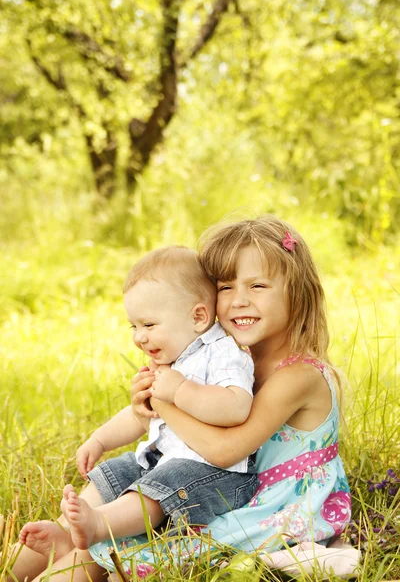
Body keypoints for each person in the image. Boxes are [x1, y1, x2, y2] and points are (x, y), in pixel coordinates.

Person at [10, 215, 358, 582]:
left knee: (118, 547)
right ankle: (45, 546)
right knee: (107, 501)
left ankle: (76, 549)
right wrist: (142, 406)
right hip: (213, 484)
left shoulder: (298, 376)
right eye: (225, 286)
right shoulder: (230, 359)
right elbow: (165, 418)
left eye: (257, 285)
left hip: (273, 506)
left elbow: (225, 452)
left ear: (297, 291)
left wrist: (166, 402)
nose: (239, 300)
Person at [11, 245, 257, 581]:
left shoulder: (223, 352)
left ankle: (98, 525)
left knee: (162, 483)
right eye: (133, 327)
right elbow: (141, 415)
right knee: (120, 468)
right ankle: (67, 532)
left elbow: (237, 406)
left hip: (213, 474)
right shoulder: (169, 358)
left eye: (149, 324)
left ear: (198, 317)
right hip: (164, 462)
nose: (139, 337)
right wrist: (99, 440)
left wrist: (180, 391)